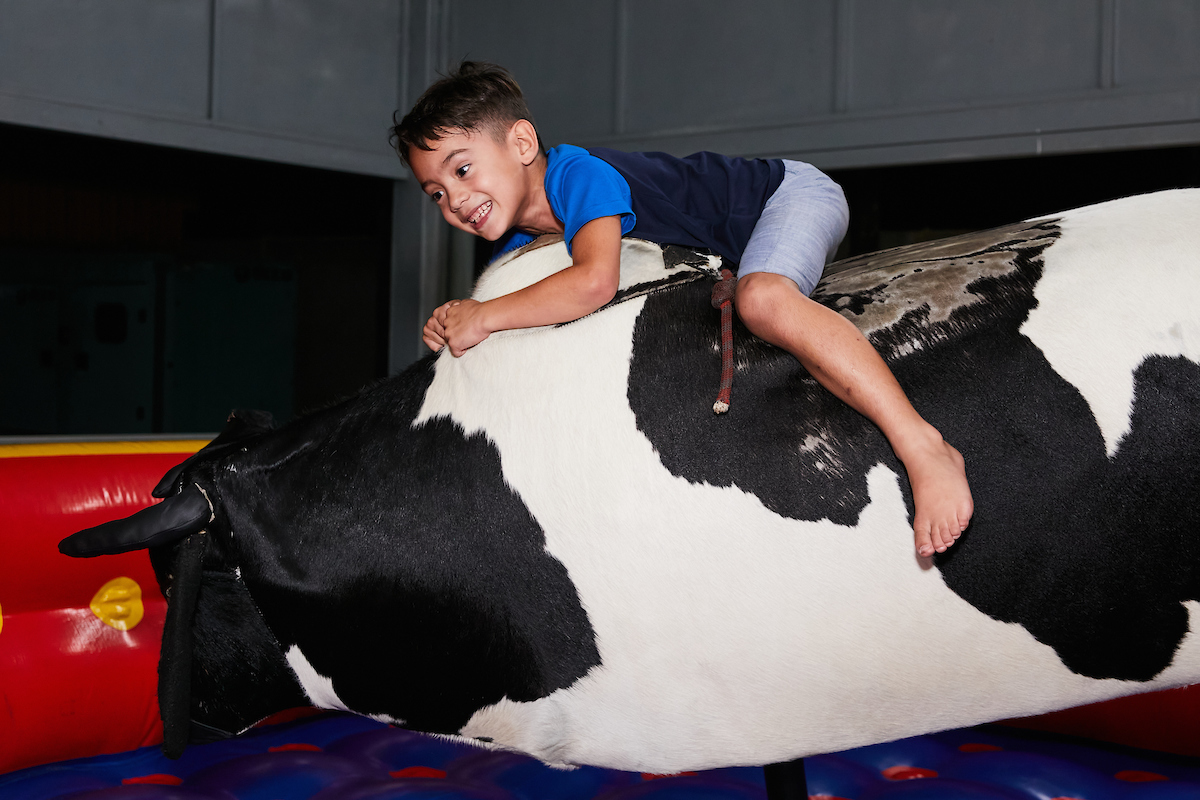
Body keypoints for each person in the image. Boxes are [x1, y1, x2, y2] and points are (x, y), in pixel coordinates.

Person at [391, 62, 972, 558]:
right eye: (436, 192)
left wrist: (485, 316)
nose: (455, 200)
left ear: (521, 144)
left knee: (763, 300)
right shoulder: (518, 246)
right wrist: (458, 318)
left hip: (787, 197)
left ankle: (923, 445)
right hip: (733, 249)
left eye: (462, 169)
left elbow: (593, 282)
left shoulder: (578, 175)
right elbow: (529, 308)